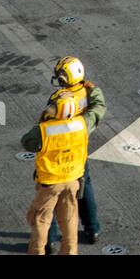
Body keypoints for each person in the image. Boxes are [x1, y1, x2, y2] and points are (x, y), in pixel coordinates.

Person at [21, 56, 106, 250]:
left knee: (44, 213)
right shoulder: (82, 123)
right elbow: (98, 109)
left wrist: (46, 116)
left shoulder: (54, 116)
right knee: (74, 211)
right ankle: (92, 230)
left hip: (52, 172)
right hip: (76, 163)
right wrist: (94, 90)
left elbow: (28, 142)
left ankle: (48, 243)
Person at [22, 95, 87, 255]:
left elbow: (27, 143)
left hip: (51, 182)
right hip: (73, 180)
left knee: (40, 219)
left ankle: (37, 252)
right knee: (70, 221)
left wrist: (42, 121)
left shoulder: (44, 129)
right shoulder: (81, 125)